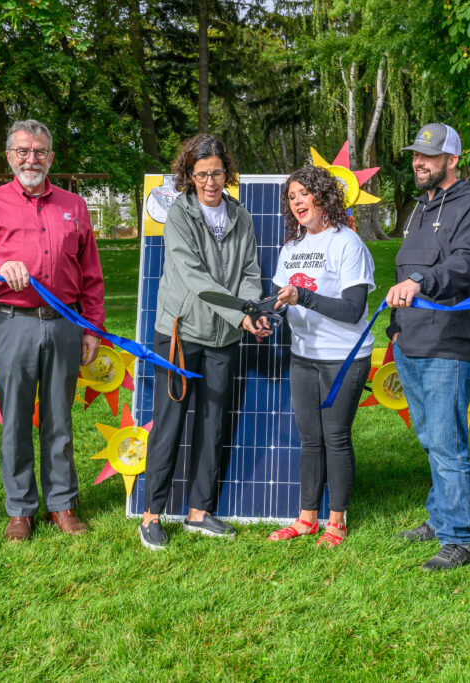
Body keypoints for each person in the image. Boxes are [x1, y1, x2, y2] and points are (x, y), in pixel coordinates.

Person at [0, 119, 105, 542]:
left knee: (59, 418)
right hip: (11, 324)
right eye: (23, 151)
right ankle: (20, 508)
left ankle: (62, 504)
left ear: (51, 157)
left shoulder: (74, 206)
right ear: (9, 157)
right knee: (16, 420)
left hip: (64, 325)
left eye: (39, 151)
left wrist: (93, 327)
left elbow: (90, 272)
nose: (31, 159)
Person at [138, 134, 268, 550]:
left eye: (216, 172)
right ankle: (151, 515)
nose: (210, 181)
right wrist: (241, 314)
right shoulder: (178, 215)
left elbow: (250, 272)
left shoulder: (241, 217)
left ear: (227, 172)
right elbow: (194, 277)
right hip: (179, 331)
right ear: (188, 176)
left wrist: (249, 313)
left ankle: (199, 512)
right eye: (201, 174)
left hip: (223, 337)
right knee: (170, 423)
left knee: (213, 424)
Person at [386, 123, 470, 571]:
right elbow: (404, 270)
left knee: (448, 442)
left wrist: (420, 281)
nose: (420, 162)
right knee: (431, 437)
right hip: (410, 339)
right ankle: (440, 518)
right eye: (416, 155)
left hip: (450, 342)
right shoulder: (418, 208)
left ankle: (457, 539)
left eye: (429, 156)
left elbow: (467, 265)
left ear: (452, 160)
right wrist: (395, 329)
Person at [265, 165, 375, 547]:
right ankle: (306, 518)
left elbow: (353, 309)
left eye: (303, 193)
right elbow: (282, 300)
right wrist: (265, 316)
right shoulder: (291, 248)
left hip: (344, 357)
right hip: (304, 355)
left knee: (335, 437)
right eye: (291, 196)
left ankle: (337, 521)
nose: (297, 201)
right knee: (310, 439)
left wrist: (303, 296)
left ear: (322, 196)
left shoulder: (347, 243)